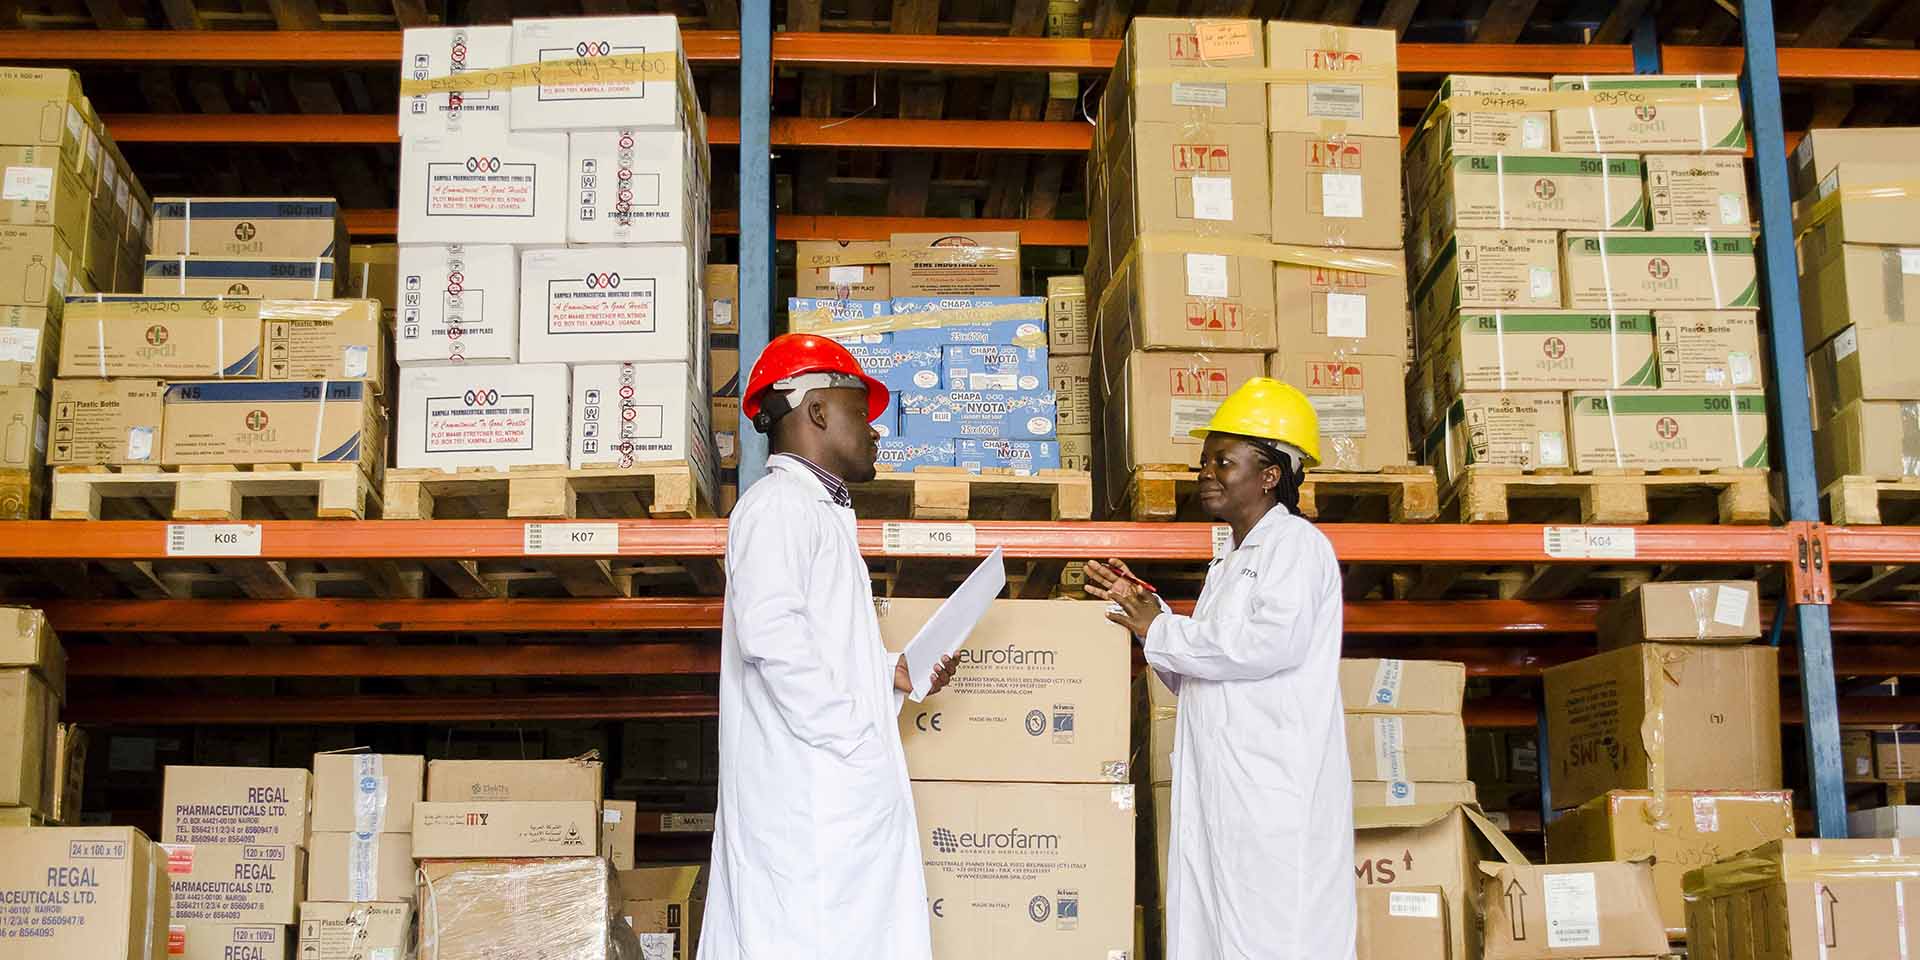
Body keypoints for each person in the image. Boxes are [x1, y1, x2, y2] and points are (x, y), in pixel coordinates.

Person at [699, 333, 957, 960]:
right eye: (859, 410)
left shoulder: (815, 512)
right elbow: (773, 637)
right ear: (817, 411)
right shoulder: (779, 507)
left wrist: (890, 673)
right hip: (808, 808)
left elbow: (818, 644)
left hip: (827, 802)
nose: (876, 432)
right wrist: (852, 735)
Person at [1085, 377, 1354, 960]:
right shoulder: (1227, 564)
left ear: (1270, 475)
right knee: (1212, 933)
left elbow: (1264, 645)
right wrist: (1147, 616)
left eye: (1223, 462)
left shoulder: (1297, 549)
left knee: (1271, 935)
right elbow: (1199, 674)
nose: (1205, 473)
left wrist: (1162, 629)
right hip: (1221, 792)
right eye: (1204, 462)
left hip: (1269, 796)